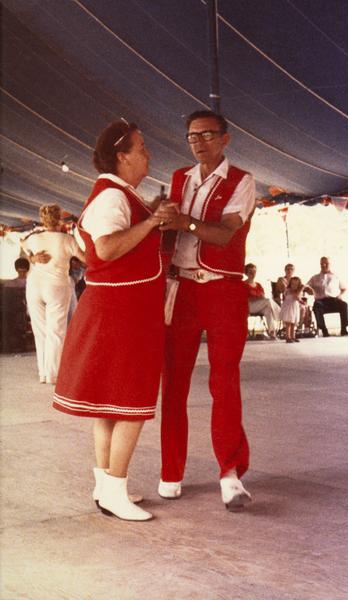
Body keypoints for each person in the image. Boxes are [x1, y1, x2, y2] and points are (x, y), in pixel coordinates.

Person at [53, 121, 170, 521]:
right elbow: (104, 249)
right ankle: (115, 490)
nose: (147, 154)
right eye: (142, 147)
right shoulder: (111, 196)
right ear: (122, 157)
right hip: (121, 313)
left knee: (108, 404)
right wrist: (152, 222)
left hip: (115, 309)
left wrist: (150, 215)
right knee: (132, 404)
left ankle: (105, 485)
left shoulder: (118, 194)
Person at [155, 109, 255, 510]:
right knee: (173, 382)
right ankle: (171, 471)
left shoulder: (241, 181)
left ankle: (230, 473)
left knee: (224, 381)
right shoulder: (180, 177)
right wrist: (161, 217)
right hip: (180, 287)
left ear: (225, 139)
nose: (198, 142)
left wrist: (185, 223)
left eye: (207, 135)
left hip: (222, 289)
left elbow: (226, 233)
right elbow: (168, 225)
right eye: (192, 136)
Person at [21, 204, 85, 384]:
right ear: (60, 218)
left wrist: (33, 258)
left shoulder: (34, 238)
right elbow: (86, 258)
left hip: (34, 285)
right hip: (57, 286)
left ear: (42, 219)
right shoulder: (67, 240)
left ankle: (43, 373)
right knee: (56, 331)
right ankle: (53, 374)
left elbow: (24, 247)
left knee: (40, 330)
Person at [307, 257, 348, 337]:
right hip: (320, 301)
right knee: (316, 306)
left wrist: (339, 295)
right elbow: (306, 287)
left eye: (326, 263)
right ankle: (324, 331)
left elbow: (344, 288)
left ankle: (344, 330)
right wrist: (310, 291)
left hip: (333, 300)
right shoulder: (315, 277)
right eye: (322, 264)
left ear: (330, 264)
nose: (324, 265)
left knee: (344, 305)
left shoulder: (335, 276)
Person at [244, 263, 280, 338]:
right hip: (248, 306)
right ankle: (281, 315)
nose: (253, 274)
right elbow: (243, 298)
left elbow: (263, 296)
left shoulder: (258, 285)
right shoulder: (243, 284)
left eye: (254, 271)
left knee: (268, 310)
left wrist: (259, 298)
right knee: (268, 301)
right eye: (250, 272)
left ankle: (272, 332)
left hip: (259, 305)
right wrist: (256, 298)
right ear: (246, 273)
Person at [280, 276, 304, 343]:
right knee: (288, 323)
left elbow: (298, 297)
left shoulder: (297, 292)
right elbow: (295, 297)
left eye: (296, 285)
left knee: (293, 323)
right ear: (290, 284)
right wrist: (300, 300)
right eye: (292, 284)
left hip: (294, 308)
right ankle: (288, 337)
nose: (294, 286)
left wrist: (301, 299)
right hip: (289, 308)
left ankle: (293, 336)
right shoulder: (289, 290)